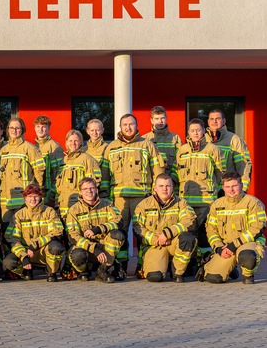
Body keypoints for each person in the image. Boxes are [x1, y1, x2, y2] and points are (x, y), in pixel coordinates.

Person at [106, 113, 164, 275]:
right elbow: (104, 175)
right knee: (120, 232)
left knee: (142, 232)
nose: (128, 127)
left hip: (142, 197)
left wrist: (157, 194)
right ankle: (121, 267)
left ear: (136, 126)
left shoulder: (147, 145)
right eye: (125, 124)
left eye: (131, 124)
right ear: (120, 127)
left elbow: (157, 171)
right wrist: (106, 195)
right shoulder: (111, 147)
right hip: (119, 198)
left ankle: (142, 265)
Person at [201, 171, 267, 284]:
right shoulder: (216, 205)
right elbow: (211, 230)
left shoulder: (253, 203)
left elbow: (257, 228)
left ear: (241, 185)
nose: (231, 190)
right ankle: (231, 269)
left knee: (247, 257)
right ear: (223, 187)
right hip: (226, 247)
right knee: (213, 278)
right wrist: (219, 248)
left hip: (247, 243)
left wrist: (234, 245)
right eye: (227, 187)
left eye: (234, 186)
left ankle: (248, 275)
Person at [132, 173, 197, 283]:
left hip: (173, 242)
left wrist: (168, 234)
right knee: (155, 277)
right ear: (155, 188)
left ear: (172, 187)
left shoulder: (181, 203)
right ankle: (161, 266)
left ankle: (177, 272)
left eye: (168, 186)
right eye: (161, 186)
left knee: (188, 238)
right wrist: (156, 239)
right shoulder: (143, 205)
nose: (165, 189)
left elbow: (190, 221)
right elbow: (137, 228)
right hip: (154, 245)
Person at [176, 118, 223, 261]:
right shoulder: (182, 151)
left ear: (203, 131)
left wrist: (219, 195)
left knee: (204, 232)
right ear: (188, 132)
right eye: (192, 130)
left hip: (206, 201)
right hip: (186, 201)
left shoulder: (213, 150)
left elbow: (221, 174)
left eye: (198, 130)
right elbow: (175, 174)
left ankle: (205, 261)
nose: (195, 133)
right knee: (189, 231)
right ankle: (190, 261)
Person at [66, 177, 124, 283]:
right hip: (86, 248)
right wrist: (95, 249)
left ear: (96, 190)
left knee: (117, 235)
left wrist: (97, 229)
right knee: (78, 256)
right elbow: (73, 236)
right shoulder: (74, 210)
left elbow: (118, 221)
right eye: (85, 189)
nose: (89, 191)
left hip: (104, 249)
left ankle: (103, 270)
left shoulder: (107, 204)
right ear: (80, 192)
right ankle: (82, 271)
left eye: (92, 188)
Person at [3, 184, 65, 281]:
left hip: (43, 251)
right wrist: (23, 256)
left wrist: (35, 245)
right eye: (30, 196)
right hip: (26, 253)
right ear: (25, 198)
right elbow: (13, 239)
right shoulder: (18, 215)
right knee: (8, 262)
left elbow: (57, 232)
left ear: (40, 197)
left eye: (36, 196)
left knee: (56, 248)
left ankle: (51, 272)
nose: (33, 199)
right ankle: (26, 272)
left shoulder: (49, 212)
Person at [0, 117, 45, 227]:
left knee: (24, 230)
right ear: (8, 130)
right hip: (6, 199)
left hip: (24, 198)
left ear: (22, 129)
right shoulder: (3, 150)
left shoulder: (30, 148)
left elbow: (39, 172)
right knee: (7, 230)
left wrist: (37, 192)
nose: (14, 130)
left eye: (17, 128)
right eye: (12, 128)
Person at [55, 129, 101, 219]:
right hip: (63, 205)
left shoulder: (87, 159)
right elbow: (57, 185)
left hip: (80, 205)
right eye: (71, 141)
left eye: (76, 140)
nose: (73, 143)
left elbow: (94, 183)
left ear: (81, 142)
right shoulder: (63, 161)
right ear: (67, 142)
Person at [205, 109, 252, 192]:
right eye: (212, 119)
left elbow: (243, 166)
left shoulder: (234, 140)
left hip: (227, 190)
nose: (214, 121)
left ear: (224, 121)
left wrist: (243, 189)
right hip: (206, 191)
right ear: (208, 121)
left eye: (218, 118)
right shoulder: (202, 140)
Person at [144, 106, 182, 184]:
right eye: (157, 119)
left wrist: (173, 179)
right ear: (151, 120)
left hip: (172, 183)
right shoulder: (145, 139)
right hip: (153, 184)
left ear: (166, 119)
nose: (160, 121)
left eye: (162, 118)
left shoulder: (175, 138)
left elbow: (180, 160)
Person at [33, 116, 63, 207]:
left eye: (43, 127)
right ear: (34, 128)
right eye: (38, 126)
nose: (40, 129)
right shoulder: (33, 147)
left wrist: (53, 194)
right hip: (36, 192)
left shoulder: (54, 147)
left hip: (48, 192)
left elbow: (58, 173)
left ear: (49, 128)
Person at [84, 119, 110, 199]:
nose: (95, 133)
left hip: (103, 191)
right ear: (87, 131)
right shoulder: (83, 150)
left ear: (102, 130)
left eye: (97, 130)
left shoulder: (107, 148)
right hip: (87, 191)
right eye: (92, 130)